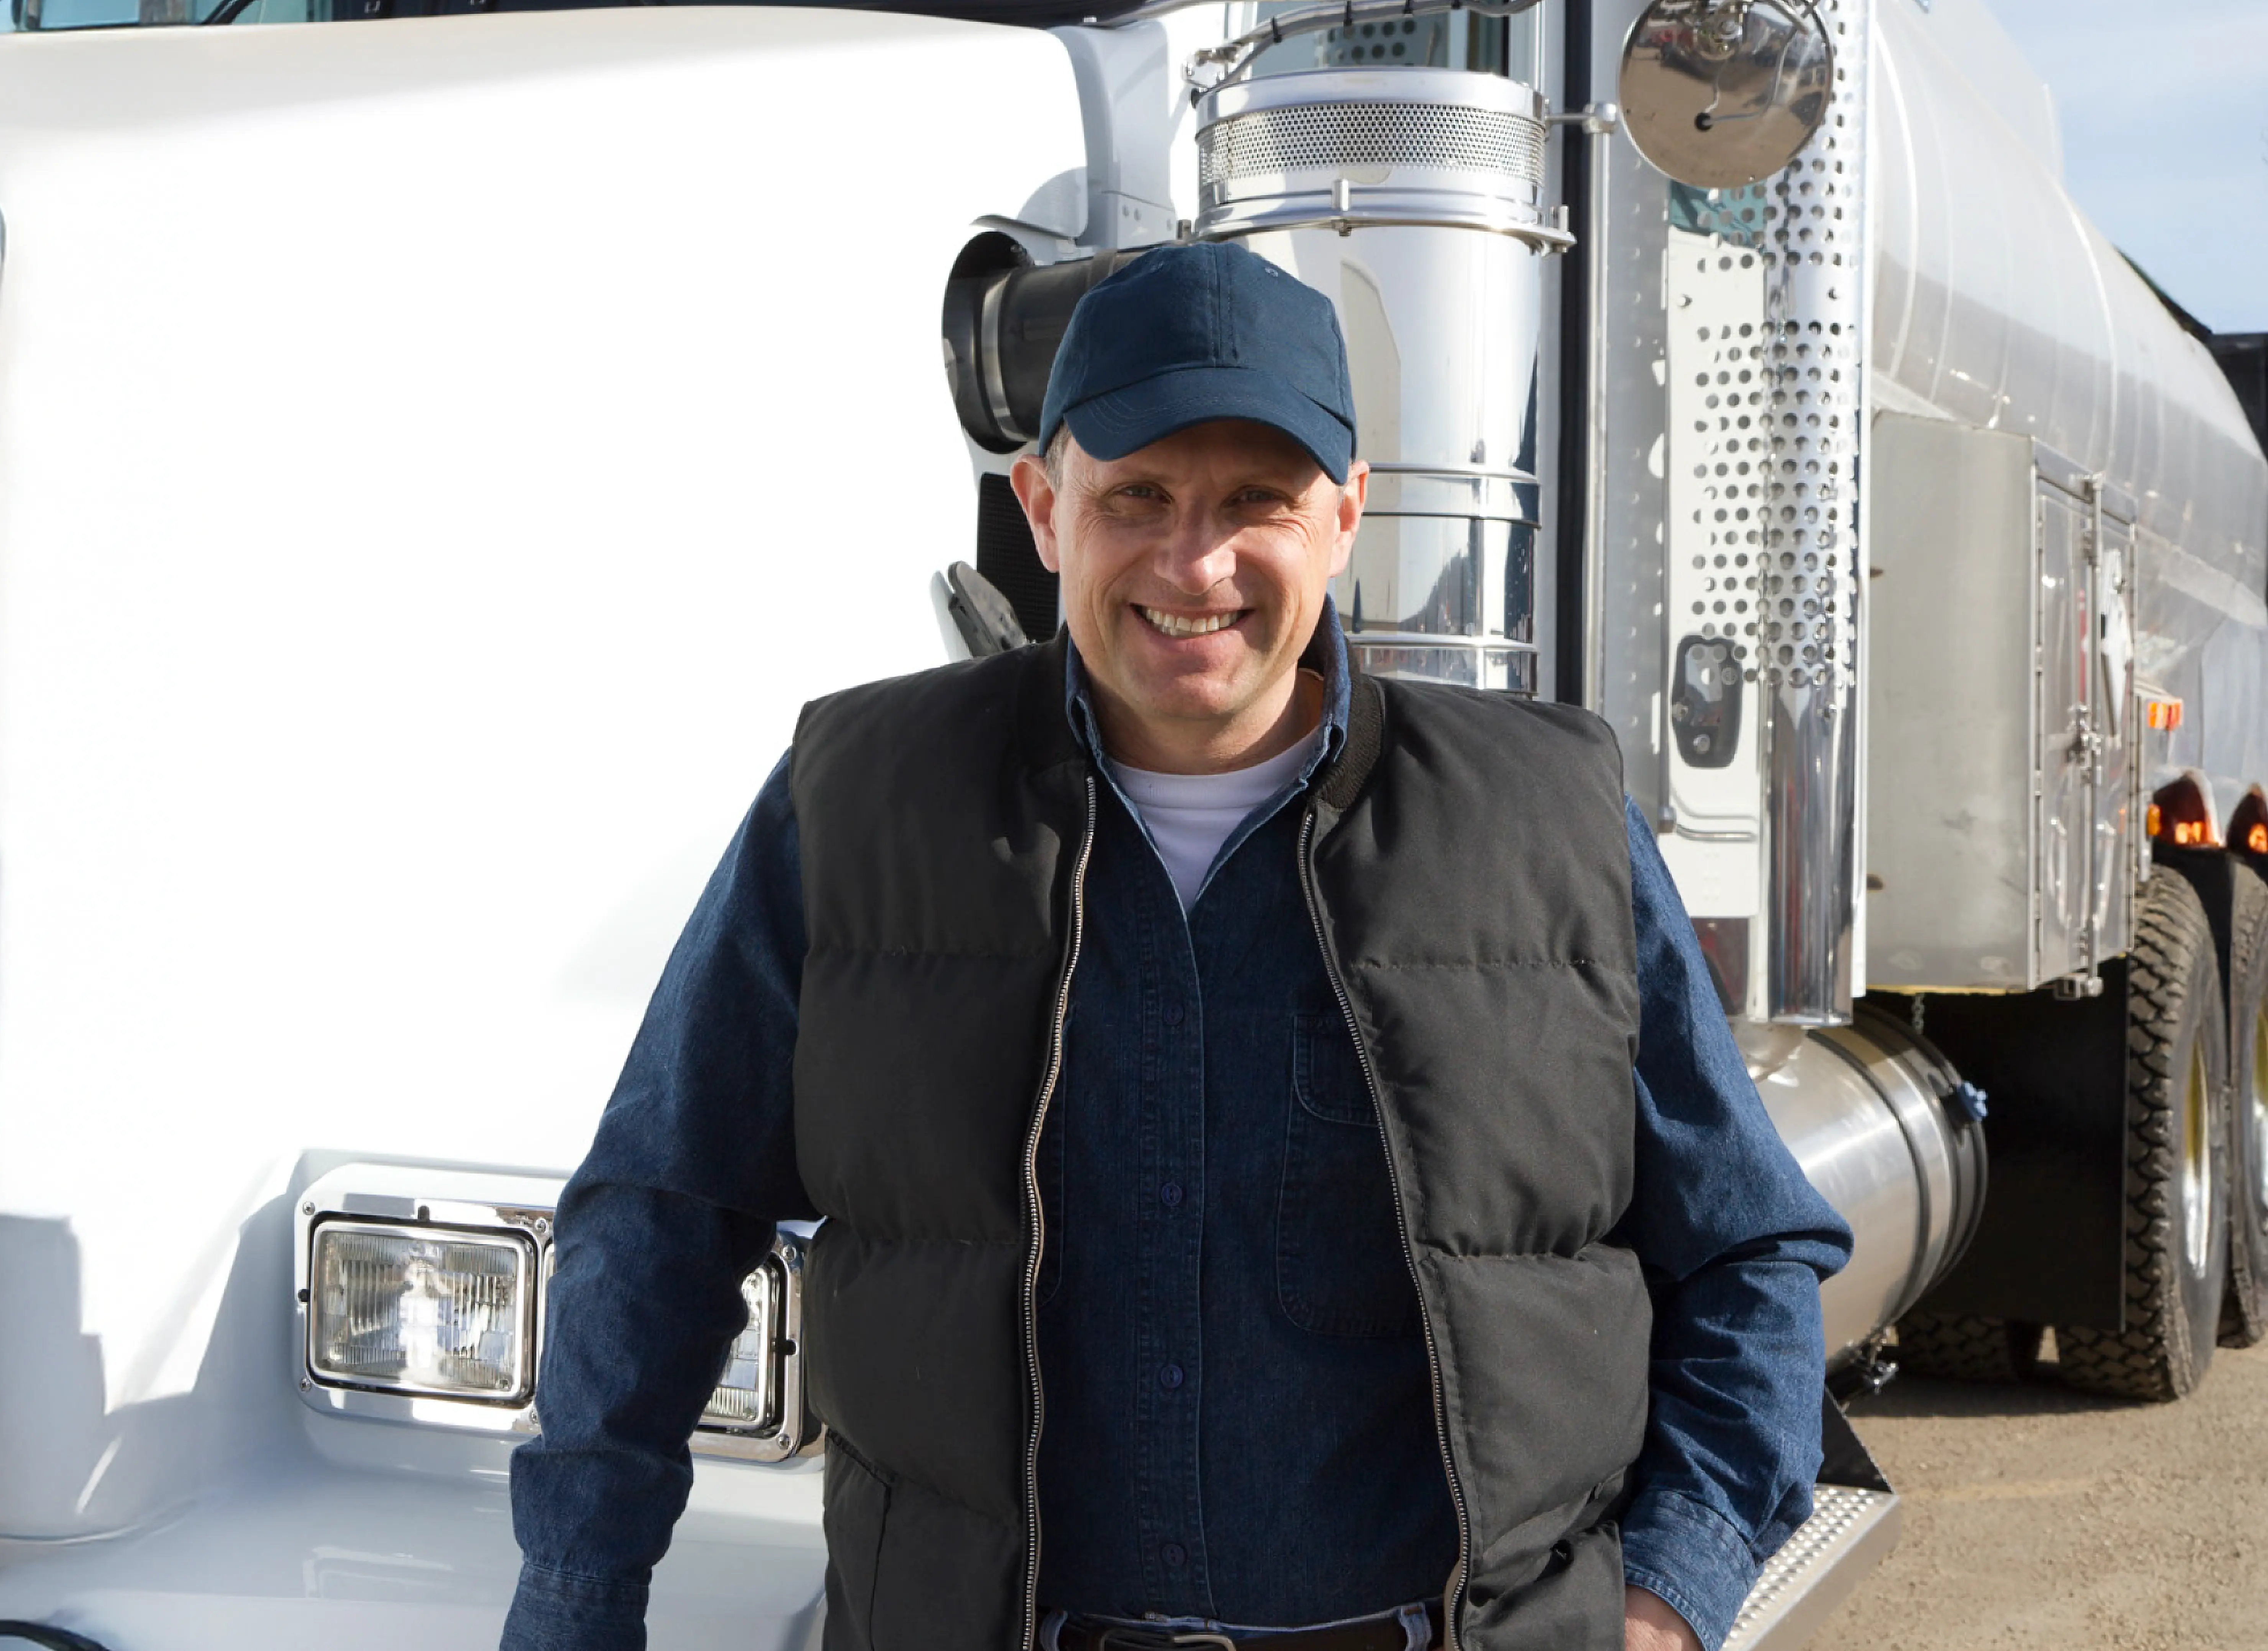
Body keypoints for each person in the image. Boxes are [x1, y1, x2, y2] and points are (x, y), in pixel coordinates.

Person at [499, 241, 1851, 1651]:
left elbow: (1749, 1250)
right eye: (1136, 496)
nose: (1192, 562)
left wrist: (1667, 1604)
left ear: (1343, 517)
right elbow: (656, 1216)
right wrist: (577, 1597)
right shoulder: (856, 805)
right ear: (1043, 508)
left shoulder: (1551, 821)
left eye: (1253, 502)